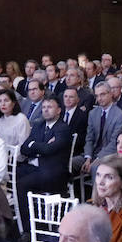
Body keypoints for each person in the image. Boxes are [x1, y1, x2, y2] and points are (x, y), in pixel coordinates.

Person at [15, 95, 73, 229]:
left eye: (50, 107)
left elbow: (49, 149)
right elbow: (24, 148)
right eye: (44, 107)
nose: (46, 110)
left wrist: (34, 145)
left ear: (59, 110)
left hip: (54, 173)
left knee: (21, 185)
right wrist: (41, 146)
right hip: (37, 168)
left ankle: (29, 229)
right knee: (11, 176)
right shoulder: (38, 125)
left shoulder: (63, 128)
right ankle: (25, 219)